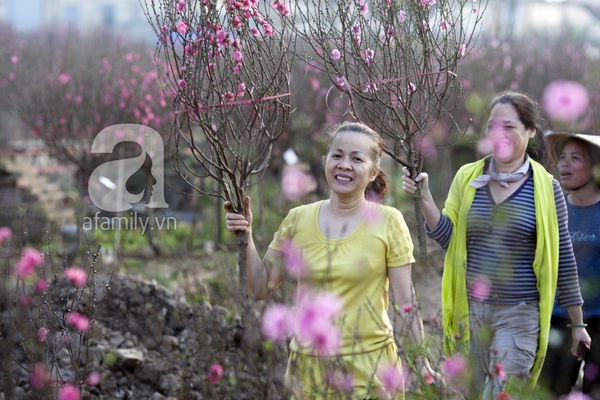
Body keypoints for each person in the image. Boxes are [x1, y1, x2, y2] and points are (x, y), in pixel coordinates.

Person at [225, 121, 436, 399]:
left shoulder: (388, 221)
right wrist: (246, 236)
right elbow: (261, 287)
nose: (344, 165)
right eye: (337, 155)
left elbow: (406, 301)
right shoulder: (298, 219)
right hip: (309, 371)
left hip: (371, 369)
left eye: (356, 158)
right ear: (326, 161)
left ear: (373, 171)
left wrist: (421, 362)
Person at [401, 91, 591, 399]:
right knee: (477, 393)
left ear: (530, 132)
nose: (499, 134)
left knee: (501, 394)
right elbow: (451, 240)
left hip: (520, 314)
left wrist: (577, 324)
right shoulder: (468, 178)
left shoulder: (547, 188)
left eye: (509, 127)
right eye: (492, 126)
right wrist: (424, 198)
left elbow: (563, 258)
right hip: (472, 311)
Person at [540, 131, 600, 397]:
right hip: (558, 320)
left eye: (575, 158)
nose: (564, 164)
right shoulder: (554, 211)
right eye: (562, 158)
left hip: (599, 320)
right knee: (551, 390)